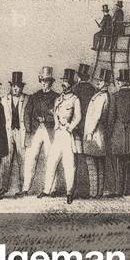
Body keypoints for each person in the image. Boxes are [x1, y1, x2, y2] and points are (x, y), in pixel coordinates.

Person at [43, 69, 82, 204]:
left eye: (66, 82)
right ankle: (46, 190)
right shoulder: (58, 98)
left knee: (69, 164)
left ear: (71, 84)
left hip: (67, 134)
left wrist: (69, 127)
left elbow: (78, 117)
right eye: (63, 82)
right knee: (51, 160)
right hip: (58, 133)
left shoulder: (75, 99)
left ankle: (69, 192)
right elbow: (55, 112)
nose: (64, 84)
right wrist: (56, 124)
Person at [22, 67, 57, 195]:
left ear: (50, 82)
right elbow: (26, 114)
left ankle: (52, 189)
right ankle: (25, 188)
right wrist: (29, 128)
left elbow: (58, 115)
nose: (43, 82)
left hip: (50, 131)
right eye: (42, 80)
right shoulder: (34, 97)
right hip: (35, 130)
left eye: (46, 80)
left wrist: (47, 118)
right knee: (30, 158)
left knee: (51, 158)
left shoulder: (56, 97)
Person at [82, 68, 112, 198]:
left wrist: (90, 132)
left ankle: (94, 192)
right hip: (98, 134)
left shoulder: (102, 96)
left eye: (101, 81)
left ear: (106, 83)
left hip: (95, 134)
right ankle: (97, 192)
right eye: (99, 80)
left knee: (93, 164)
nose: (98, 82)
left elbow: (97, 116)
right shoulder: (101, 95)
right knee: (98, 164)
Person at [109, 69, 130, 196]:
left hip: (118, 132)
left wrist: (110, 132)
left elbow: (111, 117)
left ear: (120, 82)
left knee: (118, 162)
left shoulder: (115, 96)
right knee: (128, 161)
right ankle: (127, 190)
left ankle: (118, 190)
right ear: (129, 82)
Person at [0, 71, 28, 197]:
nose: (16, 88)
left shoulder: (27, 99)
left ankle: (22, 188)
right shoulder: (4, 99)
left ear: (21, 87)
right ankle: (4, 187)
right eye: (14, 86)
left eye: (18, 86)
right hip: (8, 132)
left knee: (23, 161)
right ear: (11, 86)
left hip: (21, 133)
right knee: (6, 161)